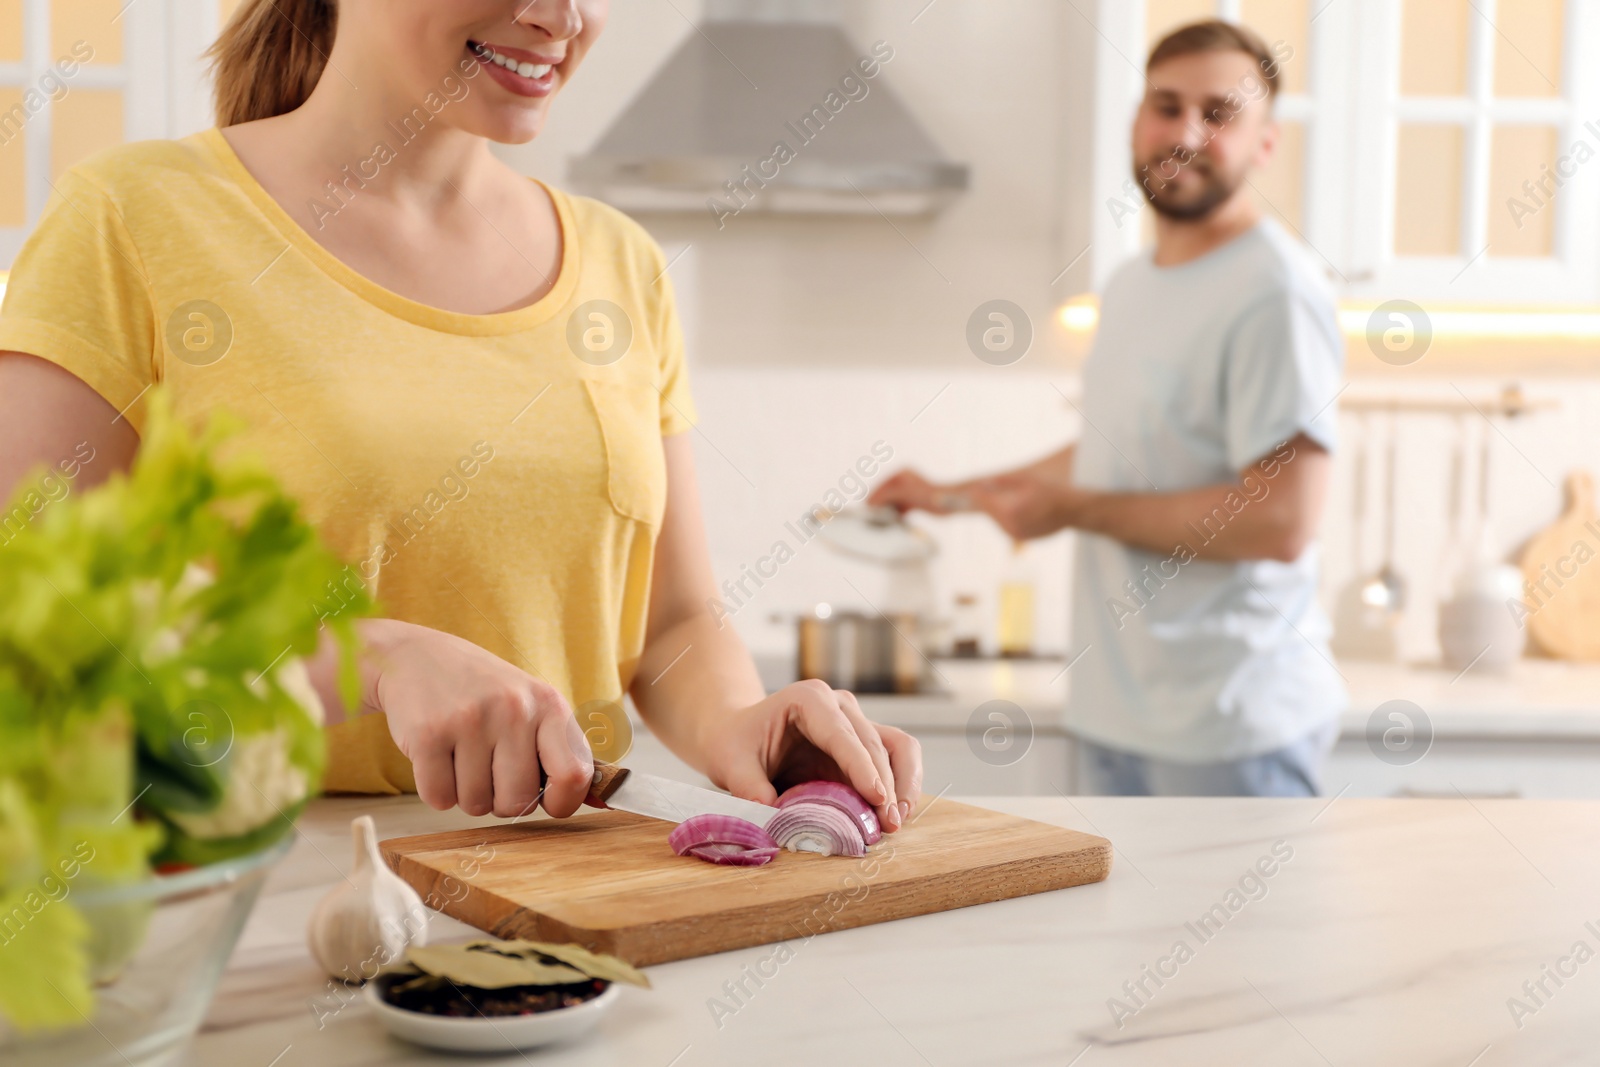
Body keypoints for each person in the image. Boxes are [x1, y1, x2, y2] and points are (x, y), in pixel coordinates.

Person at [0, 0, 920, 831]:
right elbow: (37, 607)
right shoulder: (134, 216)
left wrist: (735, 724)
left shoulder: (620, 263)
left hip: (579, 878)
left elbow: (673, 619)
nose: (561, 16)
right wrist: (367, 658)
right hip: (255, 880)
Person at [871, 20, 1344, 797]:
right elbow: (1117, 448)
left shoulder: (1277, 291)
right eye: (1166, 106)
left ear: (1266, 144)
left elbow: (1282, 518)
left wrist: (1075, 509)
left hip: (1229, 728)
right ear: (1136, 122)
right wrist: (951, 495)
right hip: (1117, 714)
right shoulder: (1132, 285)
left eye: (1219, 113)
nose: (1185, 133)